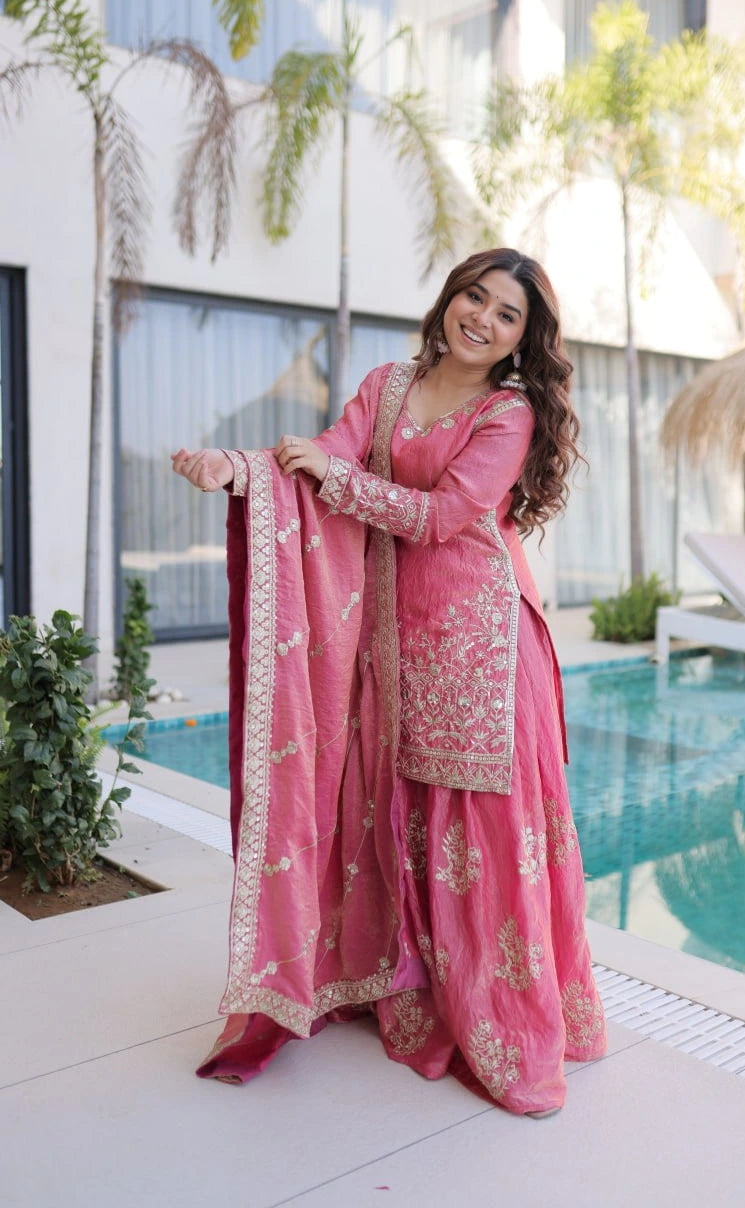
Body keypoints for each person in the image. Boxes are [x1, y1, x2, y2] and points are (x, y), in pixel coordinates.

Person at [171, 247, 605, 1117]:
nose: (480, 318)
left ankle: (502, 1022)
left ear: (524, 338)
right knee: (402, 810)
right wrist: (241, 472)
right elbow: (321, 456)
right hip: (394, 636)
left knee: (481, 822)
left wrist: (340, 479)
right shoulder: (388, 384)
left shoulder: (506, 412)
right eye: (473, 297)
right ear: (450, 299)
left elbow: (447, 516)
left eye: (505, 313)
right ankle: (415, 984)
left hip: (483, 636)